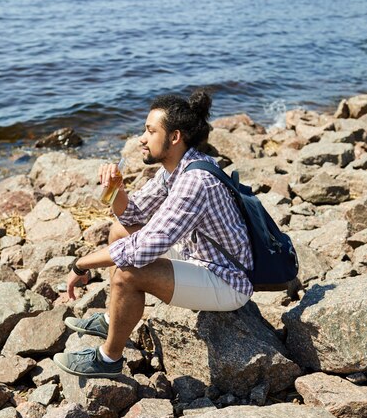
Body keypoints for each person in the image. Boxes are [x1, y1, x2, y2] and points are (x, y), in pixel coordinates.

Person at [53, 90, 253, 378]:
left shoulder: (196, 181)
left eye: (150, 131)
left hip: (227, 279)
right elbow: (132, 215)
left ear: (174, 137)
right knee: (120, 231)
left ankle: (108, 360)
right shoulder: (176, 169)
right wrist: (116, 189)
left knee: (128, 273)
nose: (141, 139)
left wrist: (81, 264)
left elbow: (143, 249)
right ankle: (113, 319)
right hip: (196, 255)